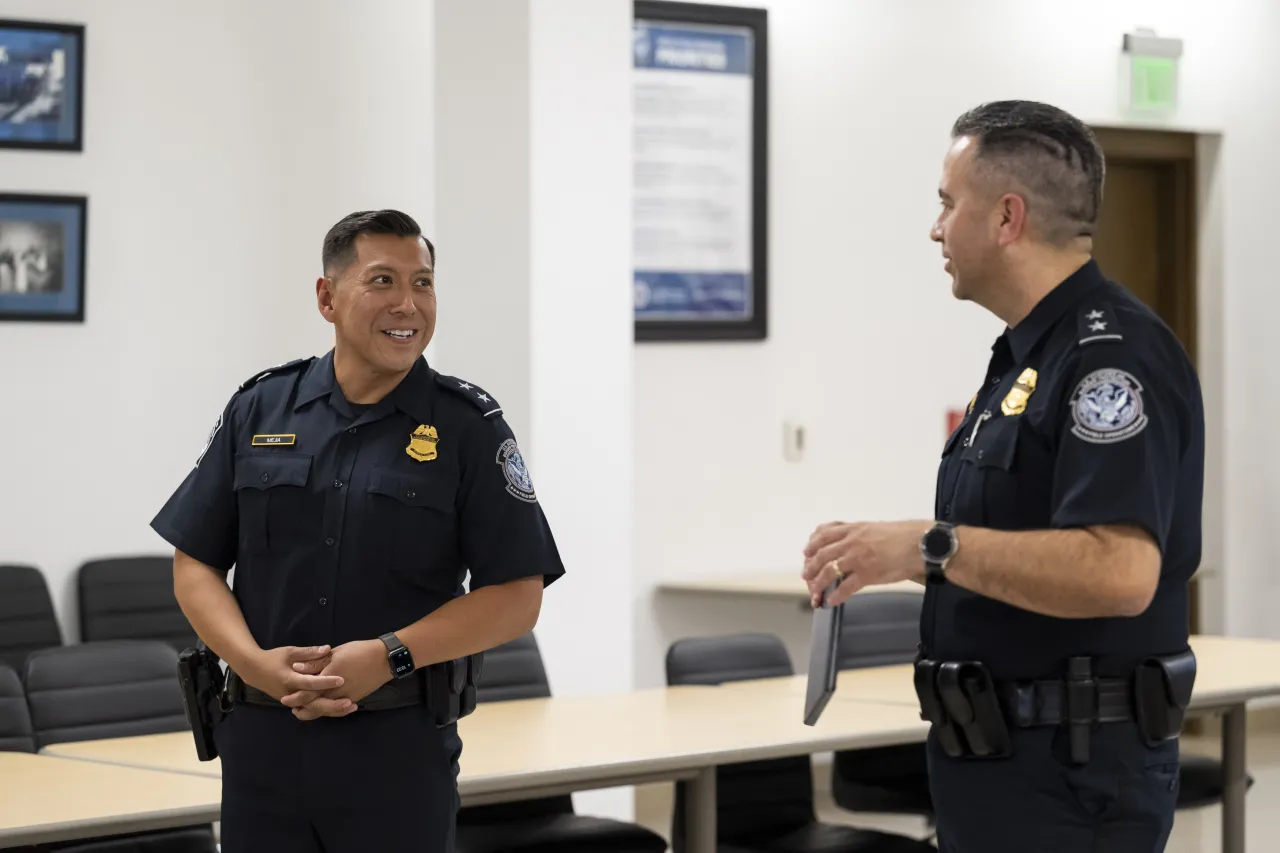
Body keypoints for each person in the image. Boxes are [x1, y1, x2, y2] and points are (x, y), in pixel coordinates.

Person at [800, 101, 1204, 852]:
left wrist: (931, 547)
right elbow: (1015, 549)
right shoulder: (1026, 357)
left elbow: (1119, 572)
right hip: (996, 763)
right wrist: (890, 552)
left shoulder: (1109, 359)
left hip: (1070, 777)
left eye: (949, 204)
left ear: (1007, 217)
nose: (936, 228)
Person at [152, 209, 565, 852]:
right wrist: (254, 664)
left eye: (423, 283)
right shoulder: (260, 407)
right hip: (263, 748)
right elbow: (194, 564)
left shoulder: (467, 426)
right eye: (382, 281)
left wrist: (389, 654)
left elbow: (517, 595)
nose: (409, 303)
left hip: (395, 752)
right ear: (327, 297)